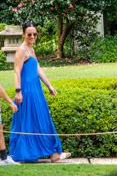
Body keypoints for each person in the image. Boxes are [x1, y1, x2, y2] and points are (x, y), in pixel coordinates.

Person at [9, 23, 71, 163]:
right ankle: (48, 154)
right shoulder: (21, 50)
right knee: (30, 121)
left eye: (34, 34)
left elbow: (38, 69)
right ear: (24, 34)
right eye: (29, 34)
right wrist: (18, 91)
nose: (32, 36)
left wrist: (49, 85)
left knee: (42, 119)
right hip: (26, 91)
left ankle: (52, 153)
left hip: (36, 90)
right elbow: (16, 72)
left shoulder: (31, 49)